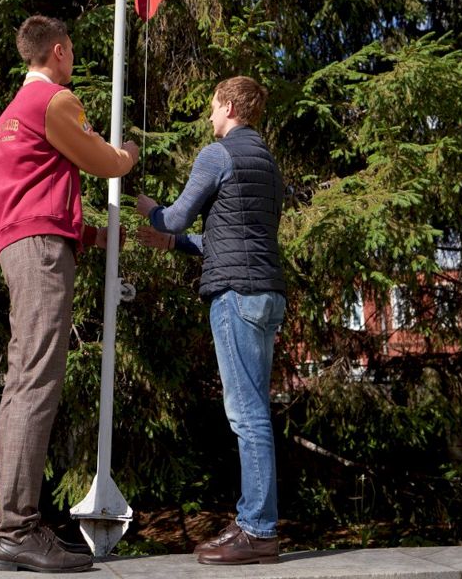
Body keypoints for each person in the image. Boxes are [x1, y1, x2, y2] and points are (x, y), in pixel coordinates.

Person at [0, 15, 139, 573]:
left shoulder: (13, 112)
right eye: (71, 49)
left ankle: (18, 527)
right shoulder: (54, 100)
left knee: (24, 379)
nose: (72, 58)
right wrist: (130, 151)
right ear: (57, 50)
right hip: (41, 251)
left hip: (23, 244)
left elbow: (36, 190)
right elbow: (103, 162)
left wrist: (94, 234)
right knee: (34, 381)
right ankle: (17, 530)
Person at [136, 76, 285, 566]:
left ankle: (258, 530)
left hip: (236, 297)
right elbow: (230, 239)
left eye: (214, 106)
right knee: (254, 411)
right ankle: (252, 521)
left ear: (229, 106)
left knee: (247, 415)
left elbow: (177, 217)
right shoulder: (267, 163)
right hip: (266, 295)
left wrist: (152, 214)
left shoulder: (217, 155)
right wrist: (175, 244)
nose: (209, 115)